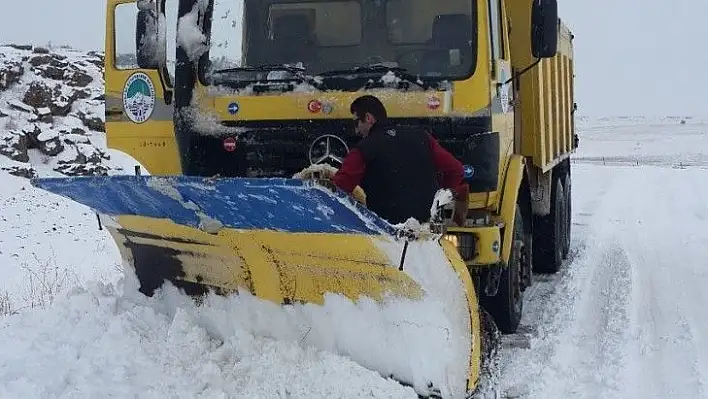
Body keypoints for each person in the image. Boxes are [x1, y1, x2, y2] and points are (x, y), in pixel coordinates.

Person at [331, 95, 469, 226]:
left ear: (368, 118)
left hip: (387, 232)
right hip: (426, 231)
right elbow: (456, 170)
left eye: (356, 122)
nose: (356, 130)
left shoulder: (362, 150)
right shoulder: (422, 137)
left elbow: (337, 189)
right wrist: (439, 198)